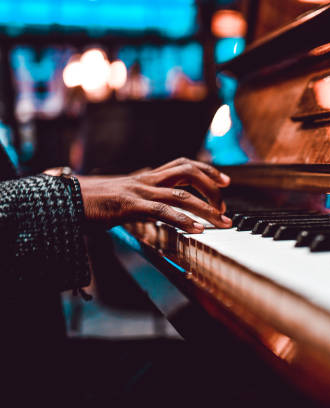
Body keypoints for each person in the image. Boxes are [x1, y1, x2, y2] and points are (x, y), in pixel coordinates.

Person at [0, 142, 234, 404]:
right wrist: (58, 196)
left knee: (213, 358)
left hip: (36, 349)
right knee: (217, 371)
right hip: (19, 376)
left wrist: (85, 183)